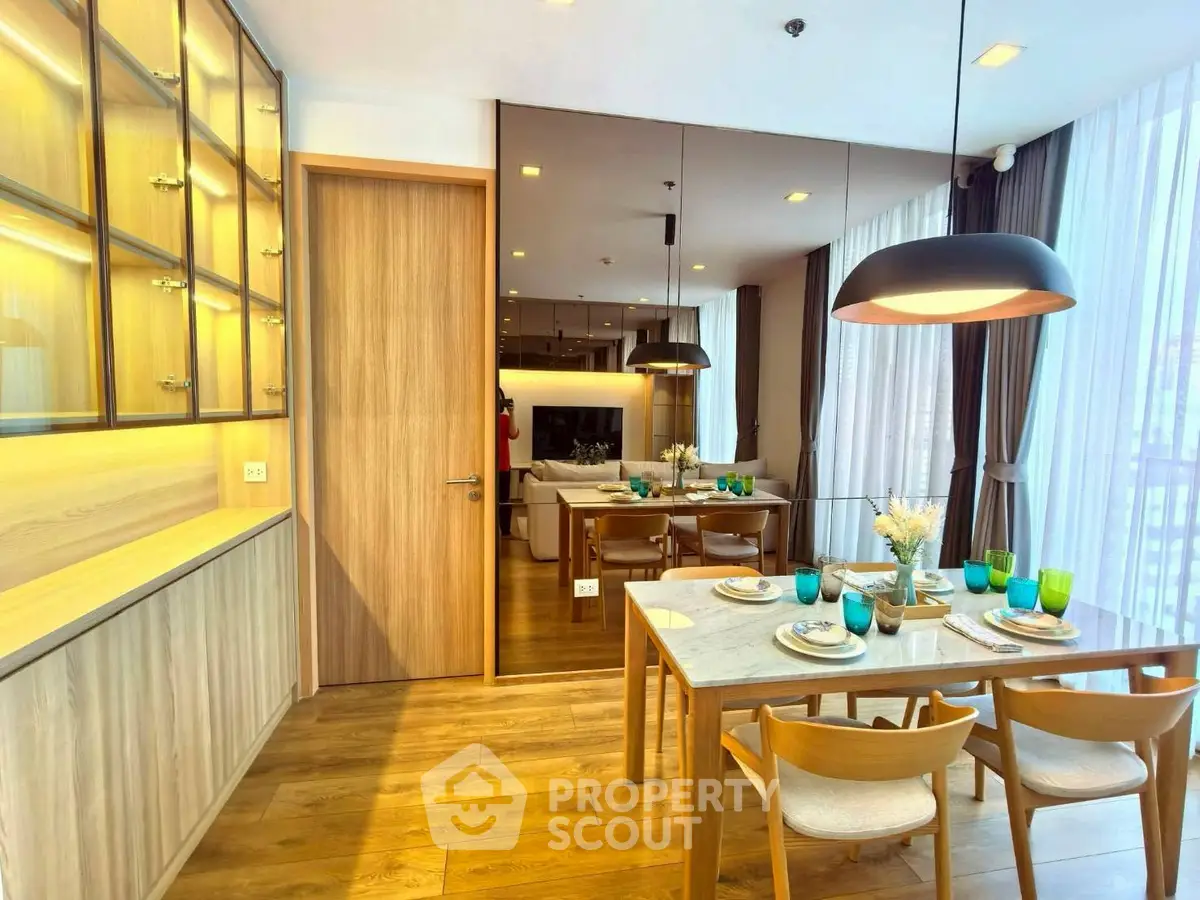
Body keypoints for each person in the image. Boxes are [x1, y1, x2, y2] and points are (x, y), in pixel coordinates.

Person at [498, 388, 520, 537]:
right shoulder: (482, 416)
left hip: (503, 466)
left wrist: (512, 413)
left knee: (504, 500)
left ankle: (505, 530)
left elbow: (513, 434)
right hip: (487, 466)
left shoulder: (505, 419)